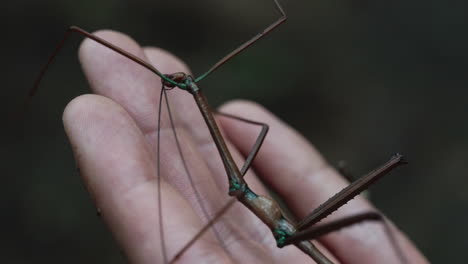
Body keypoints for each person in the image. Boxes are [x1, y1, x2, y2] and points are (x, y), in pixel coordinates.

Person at [63, 30, 429, 263]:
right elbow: (261, 129)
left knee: (367, 215)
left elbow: (261, 130)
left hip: (293, 233)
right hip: (289, 228)